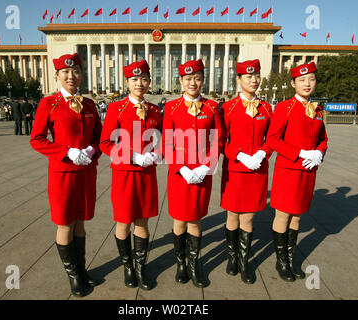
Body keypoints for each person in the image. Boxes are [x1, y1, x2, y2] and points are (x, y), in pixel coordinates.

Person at [30, 53, 103, 297]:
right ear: (58, 75)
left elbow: (99, 138)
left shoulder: (90, 104)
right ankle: (73, 276)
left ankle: (82, 270)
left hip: (86, 173)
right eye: (66, 72)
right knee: (65, 223)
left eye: (76, 72)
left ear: (81, 74)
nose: (71, 76)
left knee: (81, 222)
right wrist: (66, 151)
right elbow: (37, 139)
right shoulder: (48, 104)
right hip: (63, 173)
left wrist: (93, 149)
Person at [99, 60, 162, 291]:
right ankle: (127, 267)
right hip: (124, 174)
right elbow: (105, 143)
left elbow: (161, 139)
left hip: (147, 175)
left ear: (149, 82)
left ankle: (140, 267)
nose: (139, 83)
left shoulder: (155, 109)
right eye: (134, 79)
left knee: (142, 222)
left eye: (144, 79)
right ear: (127, 82)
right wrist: (132, 157)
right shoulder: (116, 108)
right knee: (124, 221)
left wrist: (156, 154)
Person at [162, 59, 223, 288]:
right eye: (188, 79)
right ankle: (181, 264)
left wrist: (206, 166)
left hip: (202, 172)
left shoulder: (211, 107)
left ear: (203, 80)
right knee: (179, 220)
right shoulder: (171, 107)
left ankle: (195, 264)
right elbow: (167, 143)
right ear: (180, 81)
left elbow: (218, 140)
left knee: (196, 220)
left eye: (197, 78)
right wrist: (182, 168)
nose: (193, 83)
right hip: (180, 175)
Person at [267, 62, 328, 282]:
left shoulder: (318, 109)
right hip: (289, 170)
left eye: (311, 79)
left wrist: (319, 153)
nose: (307, 84)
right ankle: (281, 261)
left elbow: (323, 138)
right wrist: (301, 152)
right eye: (301, 80)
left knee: (297, 217)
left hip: (308, 173)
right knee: (283, 215)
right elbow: (273, 139)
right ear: (293, 83)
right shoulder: (285, 107)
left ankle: (290, 259)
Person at [220, 59, 273, 284]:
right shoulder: (228, 107)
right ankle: (232, 256)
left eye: (256, 76)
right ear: (238, 80)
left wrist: (262, 153)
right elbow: (221, 140)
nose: (254, 80)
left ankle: (243, 261)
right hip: (235, 170)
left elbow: (272, 138)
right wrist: (240, 155)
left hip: (256, 171)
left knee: (249, 218)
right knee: (233, 215)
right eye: (249, 77)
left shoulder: (267, 108)